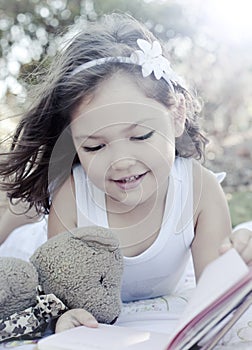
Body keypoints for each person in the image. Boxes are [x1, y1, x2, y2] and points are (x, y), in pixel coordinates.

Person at [0, 13, 252, 334]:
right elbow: (61, 296)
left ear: (176, 116)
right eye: (94, 146)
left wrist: (238, 264)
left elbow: (216, 295)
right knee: (13, 247)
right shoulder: (72, 196)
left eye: (140, 136)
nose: (120, 162)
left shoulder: (198, 190)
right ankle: (12, 214)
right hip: (31, 243)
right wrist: (66, 317)